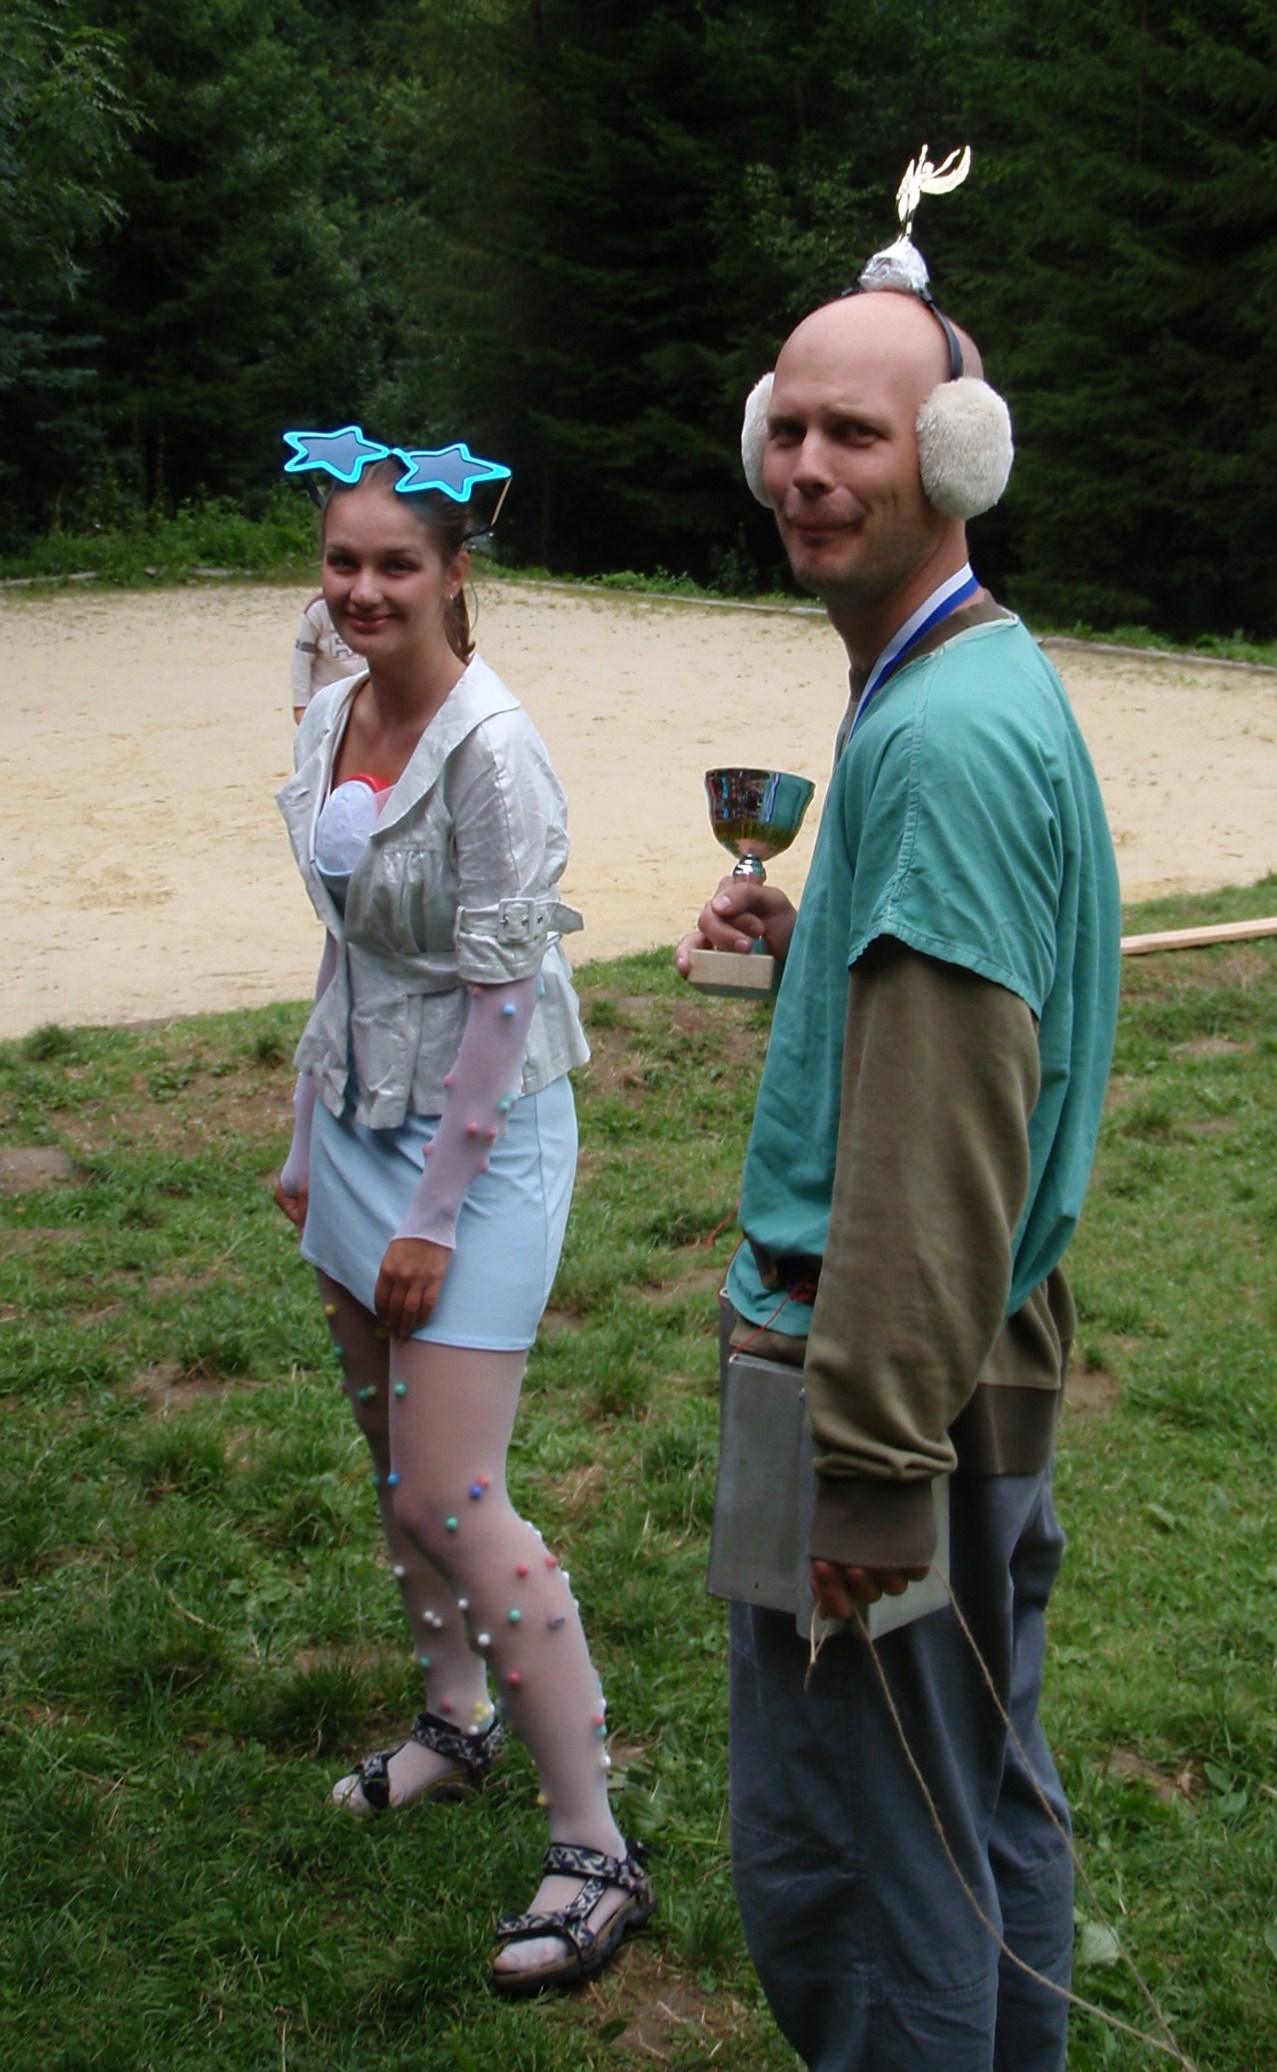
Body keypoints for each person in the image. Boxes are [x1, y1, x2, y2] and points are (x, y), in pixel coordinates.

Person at [676, 202, 1120, 2069]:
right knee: (974, 1796)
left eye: (854, 432)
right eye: (786, 425)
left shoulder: (935, 740)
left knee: (865, 1867)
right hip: (963, 1357)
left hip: (872, 1386)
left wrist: (860, 1465)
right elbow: (957, 1034)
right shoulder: (969, 678)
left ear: (955, 458)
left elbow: (941, 1140)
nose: (806, 465)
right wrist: (823, 953)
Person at [274, 427, 653, 1996]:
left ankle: (596, 1849)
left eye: (397, 565)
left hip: (476, 1145)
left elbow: (502, 998)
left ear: (453, 574)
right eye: (343, 560)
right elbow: (346, 940)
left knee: (453, 1489)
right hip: (356, 1115)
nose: (364, 590)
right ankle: (455, 1717)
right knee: (392, 1458)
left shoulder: (494, 748)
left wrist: (430, 1215)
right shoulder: (329, 702)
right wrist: (305, 1129)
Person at [290, 591, 359, 722]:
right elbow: (301, 660)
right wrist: (300, 704)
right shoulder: (318, 609)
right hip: (325, 700)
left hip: (367, 697)